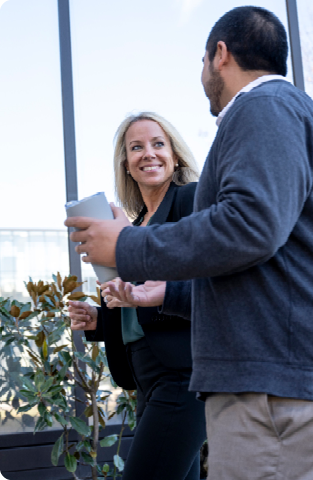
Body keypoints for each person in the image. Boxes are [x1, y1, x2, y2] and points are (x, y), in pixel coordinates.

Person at [65, 7, 313, 480]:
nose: (147, 153)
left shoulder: (265, 107)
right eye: (135, 147)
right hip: (273, 382)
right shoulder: (280, 112)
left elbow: (248, 227)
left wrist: (128, 247)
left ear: (220, 55)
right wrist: (149, 293)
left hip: (280, 386)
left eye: (200, 60)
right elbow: (252, 258)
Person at [68, 112, 206, 480]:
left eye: (158, 144)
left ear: (174, 155)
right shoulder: (133, 221)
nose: (149, 153)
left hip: (184, 373)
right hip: (145, 374)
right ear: (126, 164)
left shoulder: (191, 201)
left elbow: (213, 286)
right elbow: (134, 302)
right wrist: (99, 320)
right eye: (136, 147)